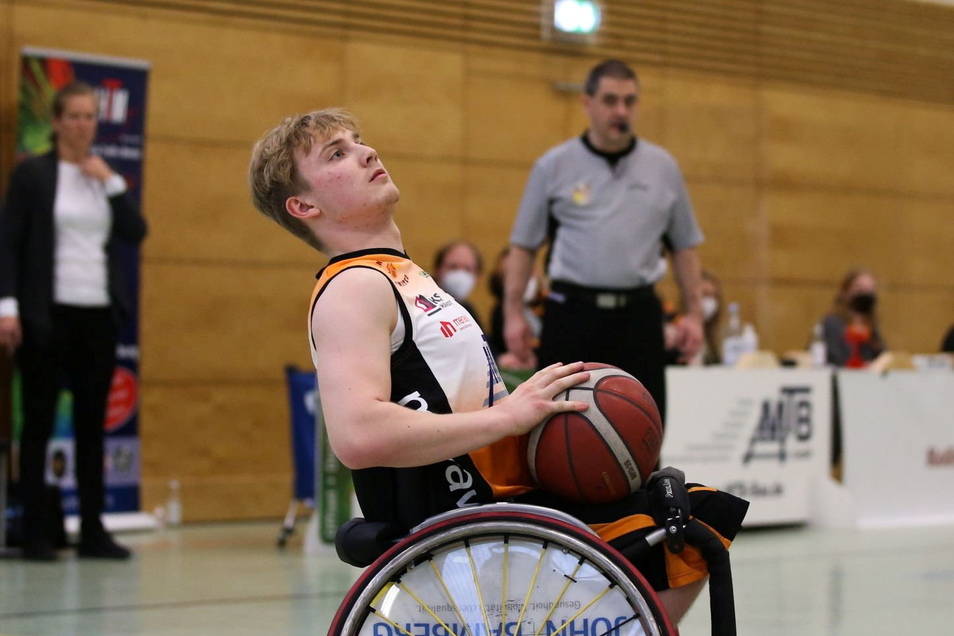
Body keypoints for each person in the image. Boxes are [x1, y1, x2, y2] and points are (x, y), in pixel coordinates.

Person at [248, 107, 747, 623]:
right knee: (691, 524)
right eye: (337, 154)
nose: (366, 152)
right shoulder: (353, 287)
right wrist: (509, 418)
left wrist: (524, 410)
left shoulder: (400, 274)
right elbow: (357, 435)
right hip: (466, 514)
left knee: (686, 509)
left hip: (506, 497)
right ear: (303, 204)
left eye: (358, 142)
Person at [503, 59, 705, 425]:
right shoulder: (554, 165)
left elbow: (684, 246)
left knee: (644, 426)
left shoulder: (663, 168)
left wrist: (694, 314)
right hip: (572, 314)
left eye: (629, 101)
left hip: (639, 316)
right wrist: (513, 313)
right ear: (587, 103)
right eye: (610, 100)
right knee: (558, 427)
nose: (621, 111)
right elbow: (523, 246)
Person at [0, 81, 147, 561]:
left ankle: (92, 529)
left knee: (91, 425)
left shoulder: (102, 176)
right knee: (38, 423)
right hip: (47, 314)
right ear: (58, 122)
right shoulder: (33, 176)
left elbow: (135, 230)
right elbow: (10, 244)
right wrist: (8, 307)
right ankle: (36, 530)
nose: (84, 125)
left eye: (90, 117)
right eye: (75, 116)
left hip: (98, 315)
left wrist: (109, 181)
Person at [819, 269, 886, 368]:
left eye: (869, 290)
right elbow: (834, 357)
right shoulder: (833, 322)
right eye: (860, 289)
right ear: (846, 291)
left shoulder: (870, 325)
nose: (864, 295)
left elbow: (882, 356)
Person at [431, 240, 484, 329]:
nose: (460, 275)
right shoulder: (422, 310)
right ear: (437, 270)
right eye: (453, 267)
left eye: (468, 269)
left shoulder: (468, 311)